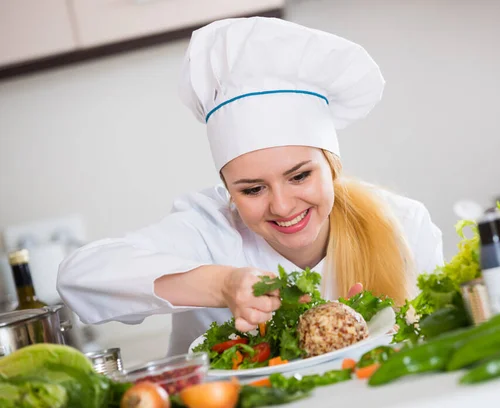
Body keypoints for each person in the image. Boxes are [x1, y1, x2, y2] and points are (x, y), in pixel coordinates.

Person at [56, 17, 444, 357]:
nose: (282, 205)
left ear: (332, 166)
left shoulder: (405, 226)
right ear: (227, 189)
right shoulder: (209, 229)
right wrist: (222, 285)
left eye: (299, 176)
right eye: (252, 189)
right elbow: (80, 277)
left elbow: (438, 340)